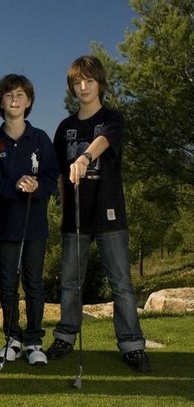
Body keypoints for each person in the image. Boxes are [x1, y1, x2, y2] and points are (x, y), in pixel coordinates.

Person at [47, 55, 150, 372]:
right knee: (70, 284)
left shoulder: (111, 119)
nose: (83, 87)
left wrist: (85, 157)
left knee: (121, 284)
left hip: (109, 215)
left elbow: (103, 141)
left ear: (99, 84)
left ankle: (132, 345)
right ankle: (65, 337)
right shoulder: (65, 128)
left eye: (89, 81)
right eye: (77, 82)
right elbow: (54, 171)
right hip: (74, 218)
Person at [0, 74, 59, 366]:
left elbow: (51, 178)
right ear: (1, 102)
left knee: (33, 284)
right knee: (8, 284)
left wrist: (37, 187)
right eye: (8, 95)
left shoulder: (40, 138)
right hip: (6, 226)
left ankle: (33, 341)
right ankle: (11, 339)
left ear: (28, 101)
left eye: (19, 95)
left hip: (34, 227)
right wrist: (15, 187)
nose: (14, 100)